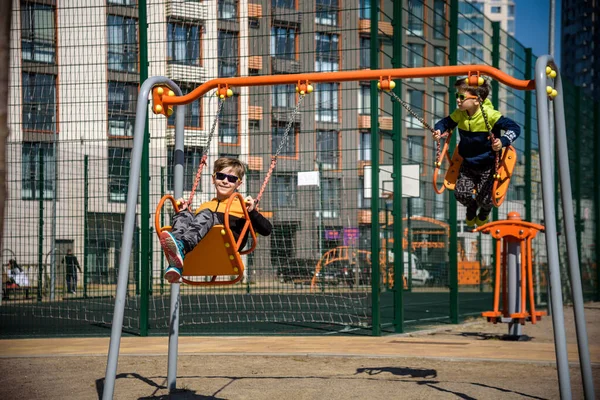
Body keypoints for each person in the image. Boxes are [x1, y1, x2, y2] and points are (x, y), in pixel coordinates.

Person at [160, 157, 273, 283]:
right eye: (221, 176)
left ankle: (181, 248)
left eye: (231, 178)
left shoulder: (243, 206)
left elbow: (266, 230)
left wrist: (252, 212)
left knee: (207, 214)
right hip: (201, 251)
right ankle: (176, 262)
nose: (225, 181)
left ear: (238, 184)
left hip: (225, 249)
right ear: (214, 179)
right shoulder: (205, 207)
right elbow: (196, 228)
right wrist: (184, 212)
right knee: (184, 215)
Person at [433, 78, 520, 227]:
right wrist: (439, 130)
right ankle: (472, 207)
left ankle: (485, 211)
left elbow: (515, 128)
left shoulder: (490, 115)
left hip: (488, 164)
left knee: (484, 199)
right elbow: (445, 123)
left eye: (462, 97)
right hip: (468, 163)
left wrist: (503, 141)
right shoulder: (459, 114)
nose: (458, 101)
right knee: (460, 193)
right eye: (457, 96)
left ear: (476, 100)